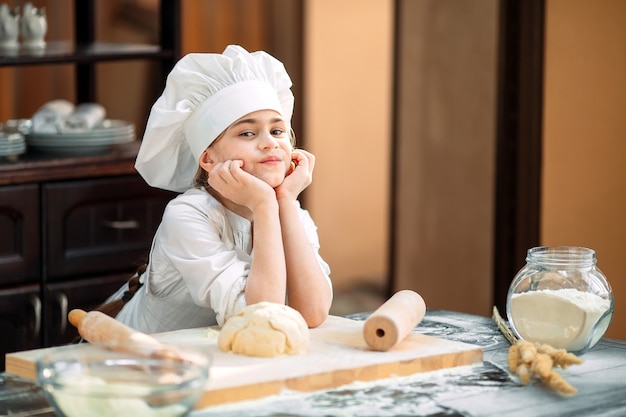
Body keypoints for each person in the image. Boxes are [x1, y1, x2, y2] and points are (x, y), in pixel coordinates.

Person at [101, 45, 332, 334]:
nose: (270, 143)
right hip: (142, 363)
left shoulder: (289, 210)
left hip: (219, 361)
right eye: (247, 133)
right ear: (209, 158)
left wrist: (283, 201)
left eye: (277, 131)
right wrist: (264, 207)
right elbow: (262, 320)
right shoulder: (187, 216)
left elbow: (313, 312)